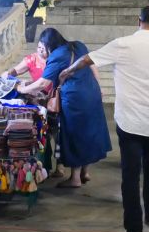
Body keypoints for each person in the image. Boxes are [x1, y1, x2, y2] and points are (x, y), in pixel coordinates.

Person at [57, 5, 149, 232]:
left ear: (138, 21)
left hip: (130, 121)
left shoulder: (123, 44)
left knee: (130, 177)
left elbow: (87, 59)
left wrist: (68, 71)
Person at [17, 28, 111, 188]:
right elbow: (92, 66)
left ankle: (75, 179)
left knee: (75, 135)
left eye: (42, 47)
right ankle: (84, 172)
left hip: (74, 99)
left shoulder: (57, 56)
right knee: (88, 133)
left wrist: (22, 89)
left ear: (49, 45)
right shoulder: (79, 45)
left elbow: (43, 83)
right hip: (92, 93)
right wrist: (98, 86)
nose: (42, 52)